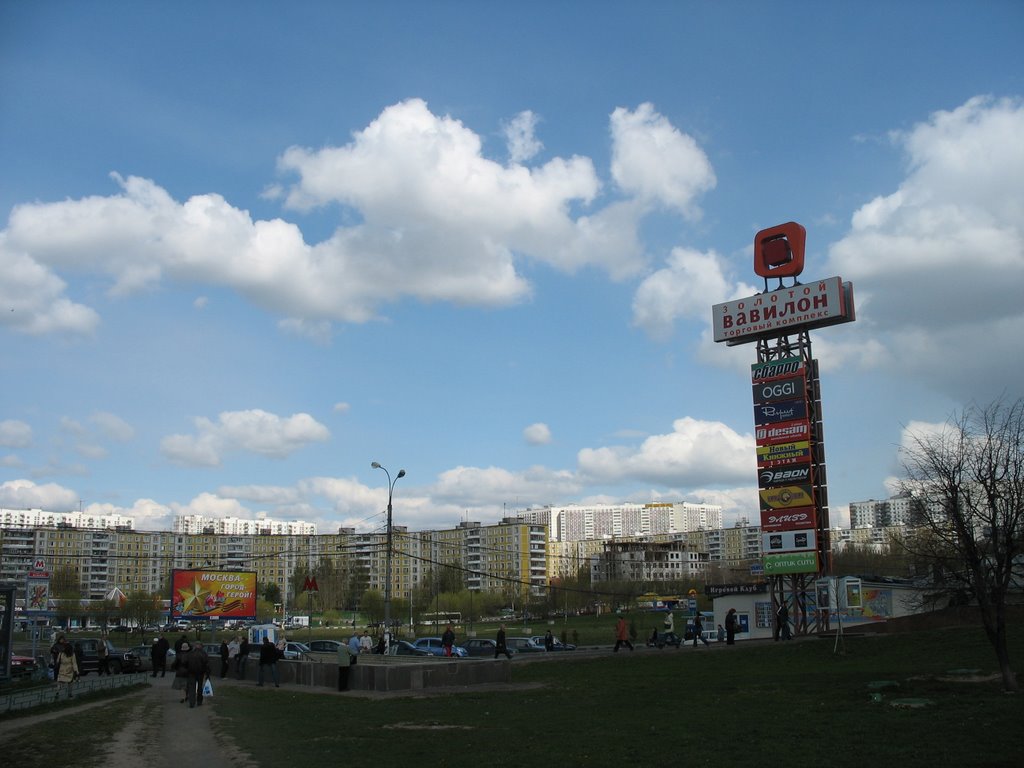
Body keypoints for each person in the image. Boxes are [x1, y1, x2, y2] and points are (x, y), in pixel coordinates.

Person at [185, 641, 211, 708]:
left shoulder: (190, 653)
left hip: (191, 673)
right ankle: (199, 701)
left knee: (192, 688)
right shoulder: (204, 654)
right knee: (200, 687)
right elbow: (207, 664)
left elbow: (186, 663)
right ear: (201, 646)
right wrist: (207, 674)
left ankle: (192, 702)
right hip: (200, 673)